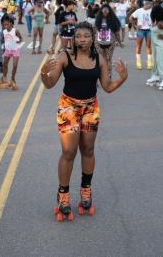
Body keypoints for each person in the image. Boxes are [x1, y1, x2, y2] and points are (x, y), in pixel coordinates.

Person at [39, 22, 128, 221]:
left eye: (86, 36)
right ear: (74, 38)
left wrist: (123, 78)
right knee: (69, 152)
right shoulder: (65, 57)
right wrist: (43, 72)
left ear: (92, 37)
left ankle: (86, 191)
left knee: (88, 149)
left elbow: (107, 87)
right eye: (78, 36)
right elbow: (49, 84)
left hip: (90, 108)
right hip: (68, 107)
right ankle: (63, 195)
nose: (81, 40)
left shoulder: (100, 59)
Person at [146, 4, 163, 90]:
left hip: (161, 45)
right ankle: (155, 76)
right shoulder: (156, 22)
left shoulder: (161, 22)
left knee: (161, 61)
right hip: (155, 44)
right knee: (155, 61)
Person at [0, 15, 23, 91]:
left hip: (15, 50)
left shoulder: (15, 30)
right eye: (4, 25)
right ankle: (4, 77)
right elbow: (4, 40)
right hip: (7, 50)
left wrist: (19, 41)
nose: (5, 26)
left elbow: (21, 38)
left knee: (14, 65)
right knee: (5, 65)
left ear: (11, 23)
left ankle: (13, 79)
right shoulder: (4, 32)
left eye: (7, 24)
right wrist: (2, 45)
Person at [94, 4, 122, 77]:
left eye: (107, 11)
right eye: (104, 11)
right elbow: (94, 32)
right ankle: (99, 75)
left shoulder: (113, 20)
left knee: (108, 59)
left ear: (109, 12)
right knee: (100, 60)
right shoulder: (98, 20)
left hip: (110, 43)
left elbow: (117, 33)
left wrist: (119, 42)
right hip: (99, 43)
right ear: (101, 11)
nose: (105, 13)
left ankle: (108, 75)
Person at [130, 0, 153, 70]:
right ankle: (138, 63)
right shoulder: (139, 10)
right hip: (141, 30)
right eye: (148, 4)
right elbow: (131, 18)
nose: (149, 5)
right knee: (138, 46)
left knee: (148, 46)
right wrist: (135, 25)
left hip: (149, 30)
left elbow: (156, 19)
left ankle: (149, 63)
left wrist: (154, 24)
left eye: (150, 4)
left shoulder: (152, 10)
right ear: (145, 4)